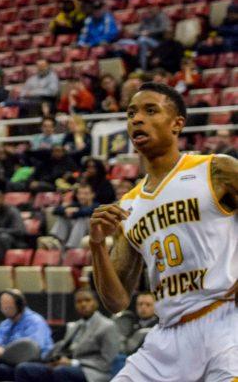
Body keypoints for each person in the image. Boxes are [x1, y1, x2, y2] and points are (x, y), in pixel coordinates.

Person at [89, 82, 238, 381]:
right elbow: (116, 301)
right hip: (167, 335)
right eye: (131, 113)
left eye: (150, 110)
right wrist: (96, 244)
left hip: (225, 319)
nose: (136, 119)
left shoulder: (215, 170)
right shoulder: (128, 205)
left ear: (177, 124)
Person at [14, 288, 120, 382]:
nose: (83, 304)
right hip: (63, 365)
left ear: (96, 303)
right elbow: (64, 349)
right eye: (79, 301)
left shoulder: (107, 326)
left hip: (92, 372)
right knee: (24, 369)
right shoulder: (74, 326)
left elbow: (108, 362)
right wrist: (55, 359)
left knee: (61, 372)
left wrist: (73, 363)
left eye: (87, 300)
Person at [0, 290, 54, 380]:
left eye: (7, 304)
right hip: (10, 362)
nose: (3, 308)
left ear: (19, 305)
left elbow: (31, 352)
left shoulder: (35, 322)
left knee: (21, 368)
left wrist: (4, 353)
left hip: (37, 363)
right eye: (2, 304)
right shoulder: (4, 325)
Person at [51, 184, 99, 249]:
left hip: (91, 232)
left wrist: (74, 212)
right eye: (80, 194)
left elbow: (87, 212)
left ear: (92, 195)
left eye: (86, 194)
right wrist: (65, 211)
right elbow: (56, 210)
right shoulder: (76, 204)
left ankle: (71, 248)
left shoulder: (96, 205)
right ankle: (57, 241)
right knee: (62, 217)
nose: (82, 196)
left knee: (82, 219)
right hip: (75, 231)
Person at [120, 292, 158, 356]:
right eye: (140, 304)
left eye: (148, 304)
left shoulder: (160, 326)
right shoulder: (129, 321)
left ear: (156, 306)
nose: (143, 307)